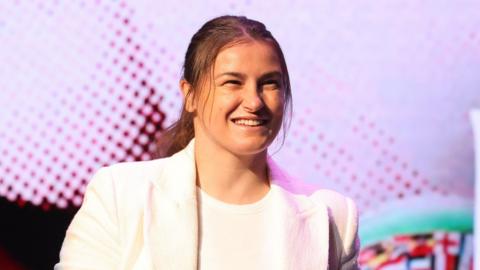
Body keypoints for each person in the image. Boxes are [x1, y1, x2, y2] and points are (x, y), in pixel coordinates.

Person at [55, 15, 359, 270]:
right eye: (232, 82)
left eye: (269, 83)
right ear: (190, 95)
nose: (254, 101)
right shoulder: (120, 195)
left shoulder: (333, 215)